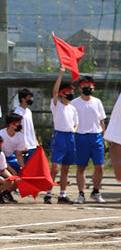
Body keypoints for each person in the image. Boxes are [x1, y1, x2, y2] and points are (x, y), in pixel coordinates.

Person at [71, 77, 108, 203]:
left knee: (100, 167)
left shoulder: (97, 102)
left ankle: (96, 191)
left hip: (96, 136)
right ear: (79, 88)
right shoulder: (74, 103)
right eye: (84, 85)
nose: (87, 88)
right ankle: (81, 194)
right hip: (81, 137)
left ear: (93, 88)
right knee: (81, 167)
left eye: (89, 86)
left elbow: (101, 121)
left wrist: (104, 137)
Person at [48, 75, 79, 203]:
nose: (71, 94)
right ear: (62, 94)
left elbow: (76, 123)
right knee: (55, 168)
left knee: (66, 168)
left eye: (72, 92)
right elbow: (54, 92)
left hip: (70, 137)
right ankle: (48, 194)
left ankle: (62, 194)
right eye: (68, 92)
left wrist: (74, 130)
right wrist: (60, 74)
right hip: (59, 136)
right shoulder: (57, 105)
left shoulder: (73, 108)